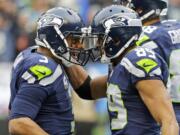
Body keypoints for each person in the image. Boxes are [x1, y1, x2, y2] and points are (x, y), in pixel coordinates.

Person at [62, 5, 179, 135]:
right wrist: (64, 55)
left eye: (100, 39)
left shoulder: (137, 61)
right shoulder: (121, 64)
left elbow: (169, 121)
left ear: (117, 39)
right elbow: (88, 90)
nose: (97, 45)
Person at [8, 6, 89, 135]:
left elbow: (87, 87)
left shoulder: (33, 52)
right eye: (74, 39)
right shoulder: (44, 68)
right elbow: (18, 123)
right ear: (55, 38)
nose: (79, 45)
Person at [116, 0, 180, 127]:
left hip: (164, 113)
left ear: (140, 9)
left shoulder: (143, 37)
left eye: (127, 5)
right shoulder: (176, 25)